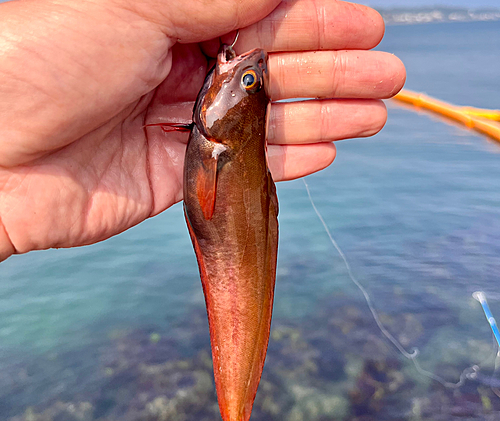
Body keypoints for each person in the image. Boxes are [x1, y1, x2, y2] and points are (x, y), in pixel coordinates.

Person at [0, 0, 405, 262]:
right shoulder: (214, 140)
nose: (255, 65)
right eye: (253, 81)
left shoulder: (216, 141)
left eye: (249, 82)